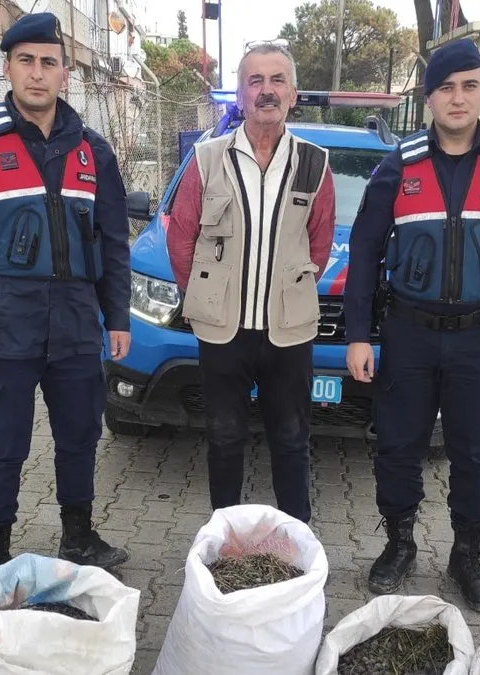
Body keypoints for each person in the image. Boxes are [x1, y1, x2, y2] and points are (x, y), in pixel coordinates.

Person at [344, 38, 480, 610]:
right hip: (408, 334)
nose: (458, 98)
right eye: (446, 87)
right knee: (397, 447)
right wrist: (359, 334)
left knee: (477, 452)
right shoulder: (400, 165)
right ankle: (400, 544)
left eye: (469, 85)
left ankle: (467, 554)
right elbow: (364, 252)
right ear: (429, 96)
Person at [0, 12, 132, 588]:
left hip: (75, 326)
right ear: (8, 67)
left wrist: (117, 316)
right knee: (3, 446)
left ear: (66, 73)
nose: (37, 75)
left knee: (80, 438)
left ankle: (79, 535)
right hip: (3, 328)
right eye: (25, 62)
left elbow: (114, 242)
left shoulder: (93, 150)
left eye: (48, 63)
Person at [166, 42, 335, 524]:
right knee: (223, 437)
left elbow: (318, 244)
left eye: (277, 80)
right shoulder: (206, 159)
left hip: (288, 332)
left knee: (291, 438)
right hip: (223, 332)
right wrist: (206, 296)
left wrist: (291, 290)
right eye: (254, 81)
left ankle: (294, 537)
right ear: (239, 96)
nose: (266, 90)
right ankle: (225, 536)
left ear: (293, 93)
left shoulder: (314, 163)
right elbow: (182, 238)